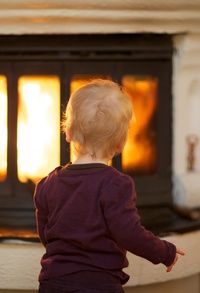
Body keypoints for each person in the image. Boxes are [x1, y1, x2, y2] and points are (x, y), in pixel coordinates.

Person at [34, 79, 184, 293]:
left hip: (52, 282)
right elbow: (129, 233)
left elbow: (46, 234)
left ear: (67, 132)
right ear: (121, 143)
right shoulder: (115, 184)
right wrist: (164, 252)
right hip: (99, 285)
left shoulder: (47, 184)